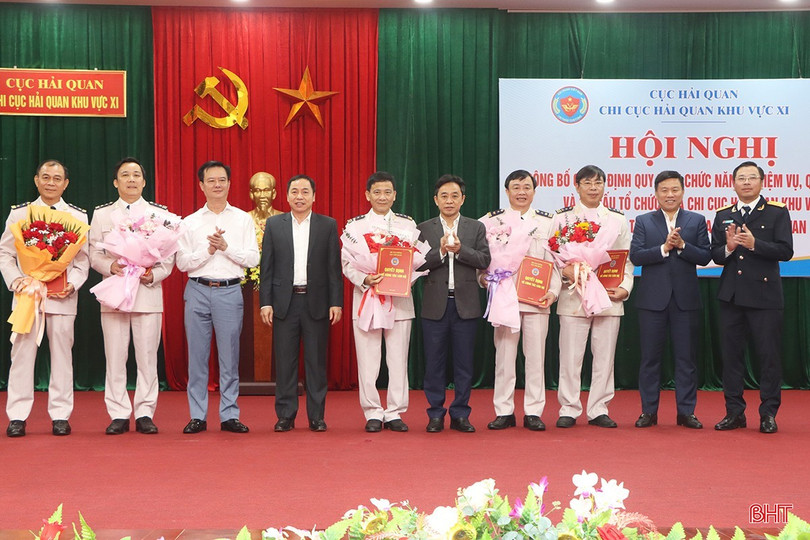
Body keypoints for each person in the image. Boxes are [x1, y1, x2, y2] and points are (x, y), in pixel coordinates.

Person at [0, 159, 89, 437]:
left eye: (57, 178)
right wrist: (17, 280)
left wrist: (72, 285)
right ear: (36, 180)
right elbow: (6, 253)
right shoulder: (20, 214)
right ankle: (17, 416)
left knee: (62, 355)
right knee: (22, 354)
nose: (51, 183)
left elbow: (82, 261)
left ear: (66, 184)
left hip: (62, 297)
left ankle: (60, 415)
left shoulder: (78, 217)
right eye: (46, 177)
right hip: (28, 296)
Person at [89, 157, 175, 435]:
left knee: (147, 357)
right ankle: (118, 413)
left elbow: (168, 257)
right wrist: (110, 266)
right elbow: (93, 253)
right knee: (115, 356)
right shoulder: (102, 214)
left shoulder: (159, 214)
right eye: (125, 175)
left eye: (136, 174)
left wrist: (154, 274)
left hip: (147, 294)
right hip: (115, 292)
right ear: (116, 182)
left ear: (144, 181)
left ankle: (145, 412)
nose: (131, 179)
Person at [176, 161, 259, 434]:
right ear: (201, 185)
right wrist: (209, 251)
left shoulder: (242, 219)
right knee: (197, 357)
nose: (217, 185)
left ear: (230, 184)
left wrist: (226, 247)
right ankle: (197, 416)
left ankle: (229, 415)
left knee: (230, 357)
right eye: (211, 180)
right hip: (197, 290)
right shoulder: (189, 222)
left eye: (222, 180)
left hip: (229, 291)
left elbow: (253, 258)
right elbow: (182, 263)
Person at [711, 161, 793, 434]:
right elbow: (715, 254)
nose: (746, 182)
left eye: (751, 177)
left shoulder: (776, 212)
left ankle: (768, 413)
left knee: (768, 357)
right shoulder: (724, 214)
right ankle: (734, 412)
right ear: (733, 183)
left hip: (765, 296)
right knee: (731, 357)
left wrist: (756, 244)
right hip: (731, 296)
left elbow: (786, 251)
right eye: (741, 178)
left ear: (761, 182)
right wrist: (728, 247)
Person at [260, 174, 343, 432]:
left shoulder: (327, 225)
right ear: (286, 196)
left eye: (305, 191)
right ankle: (285, 415)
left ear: (314, 196)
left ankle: (316, 416)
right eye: (294, 191)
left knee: (316, 363)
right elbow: (267, 267)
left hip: (316, 302)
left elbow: (334, 268)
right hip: (284, 303)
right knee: (285, 363)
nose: (299, 196)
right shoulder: (274, 225)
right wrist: (265, 302)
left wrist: (336, 302)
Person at [629, 170, 711, 429]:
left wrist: (683, 245)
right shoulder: (644, 221)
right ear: (656, 193)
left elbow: (705, 256)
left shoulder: (696, 220)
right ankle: (648, 412)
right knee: (650, 359)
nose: (670, 195)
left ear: (683, 192)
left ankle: (686, 412)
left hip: (685, 301)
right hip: (652, 301)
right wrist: (664, 248)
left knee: (686, 359)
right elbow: (636, 256)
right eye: (664, 190)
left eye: (675, 189)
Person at [554, 165, 634, 429]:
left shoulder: (617, 220)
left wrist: (625, 288)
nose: (593, 188)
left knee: (604, 357)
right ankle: (569, 408)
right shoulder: (562, 218)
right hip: (573, 294)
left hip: (608, 295)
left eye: (598, 183)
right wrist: (566, 272)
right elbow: (553, 257)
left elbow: (626, 259)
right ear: (576, 186)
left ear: (604, 187)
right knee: (570, 357)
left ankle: (599, 408)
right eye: (587, 183)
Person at [482, 170, 560, 432]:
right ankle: (504, 411)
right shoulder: (491, 222)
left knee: (536, 358)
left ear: (534, 192)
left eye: (527, 187)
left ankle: (534, 412)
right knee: (504, 358)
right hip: (504, 299)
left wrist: (553, 292)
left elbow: (556, 262)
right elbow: (483, 261)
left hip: (537, 299)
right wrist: (486, 280)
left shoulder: (548, 222)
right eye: (516, 187)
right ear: (507, 191)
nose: (521, 192)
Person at [341, 171, 419, 433]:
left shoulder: (407, 226)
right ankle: (373, 411)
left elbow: (416, 261)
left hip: (399, 302)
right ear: (367, 195)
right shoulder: (355, 227)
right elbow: (347, 263)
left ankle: (395, 411)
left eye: (387, 192)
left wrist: (403, 279)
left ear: (395, 195)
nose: (382, 197)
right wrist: (365, 278)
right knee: (368, 359)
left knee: (398, 359)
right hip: (367, 298)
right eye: (377, 192)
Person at [417, 174, 490, 433]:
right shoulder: (424, 228)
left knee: (464, 364)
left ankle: (460, 414)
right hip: (434, 305)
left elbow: (484, 260)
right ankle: (435, 414)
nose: (449, 201)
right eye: (444, 196)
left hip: (466, 306)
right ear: (436, 200)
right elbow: (417, 264)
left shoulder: (475, 227)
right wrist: (439, 252)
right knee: (434, 364)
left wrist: (461, 251)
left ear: (463, 199)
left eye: (454, 196)